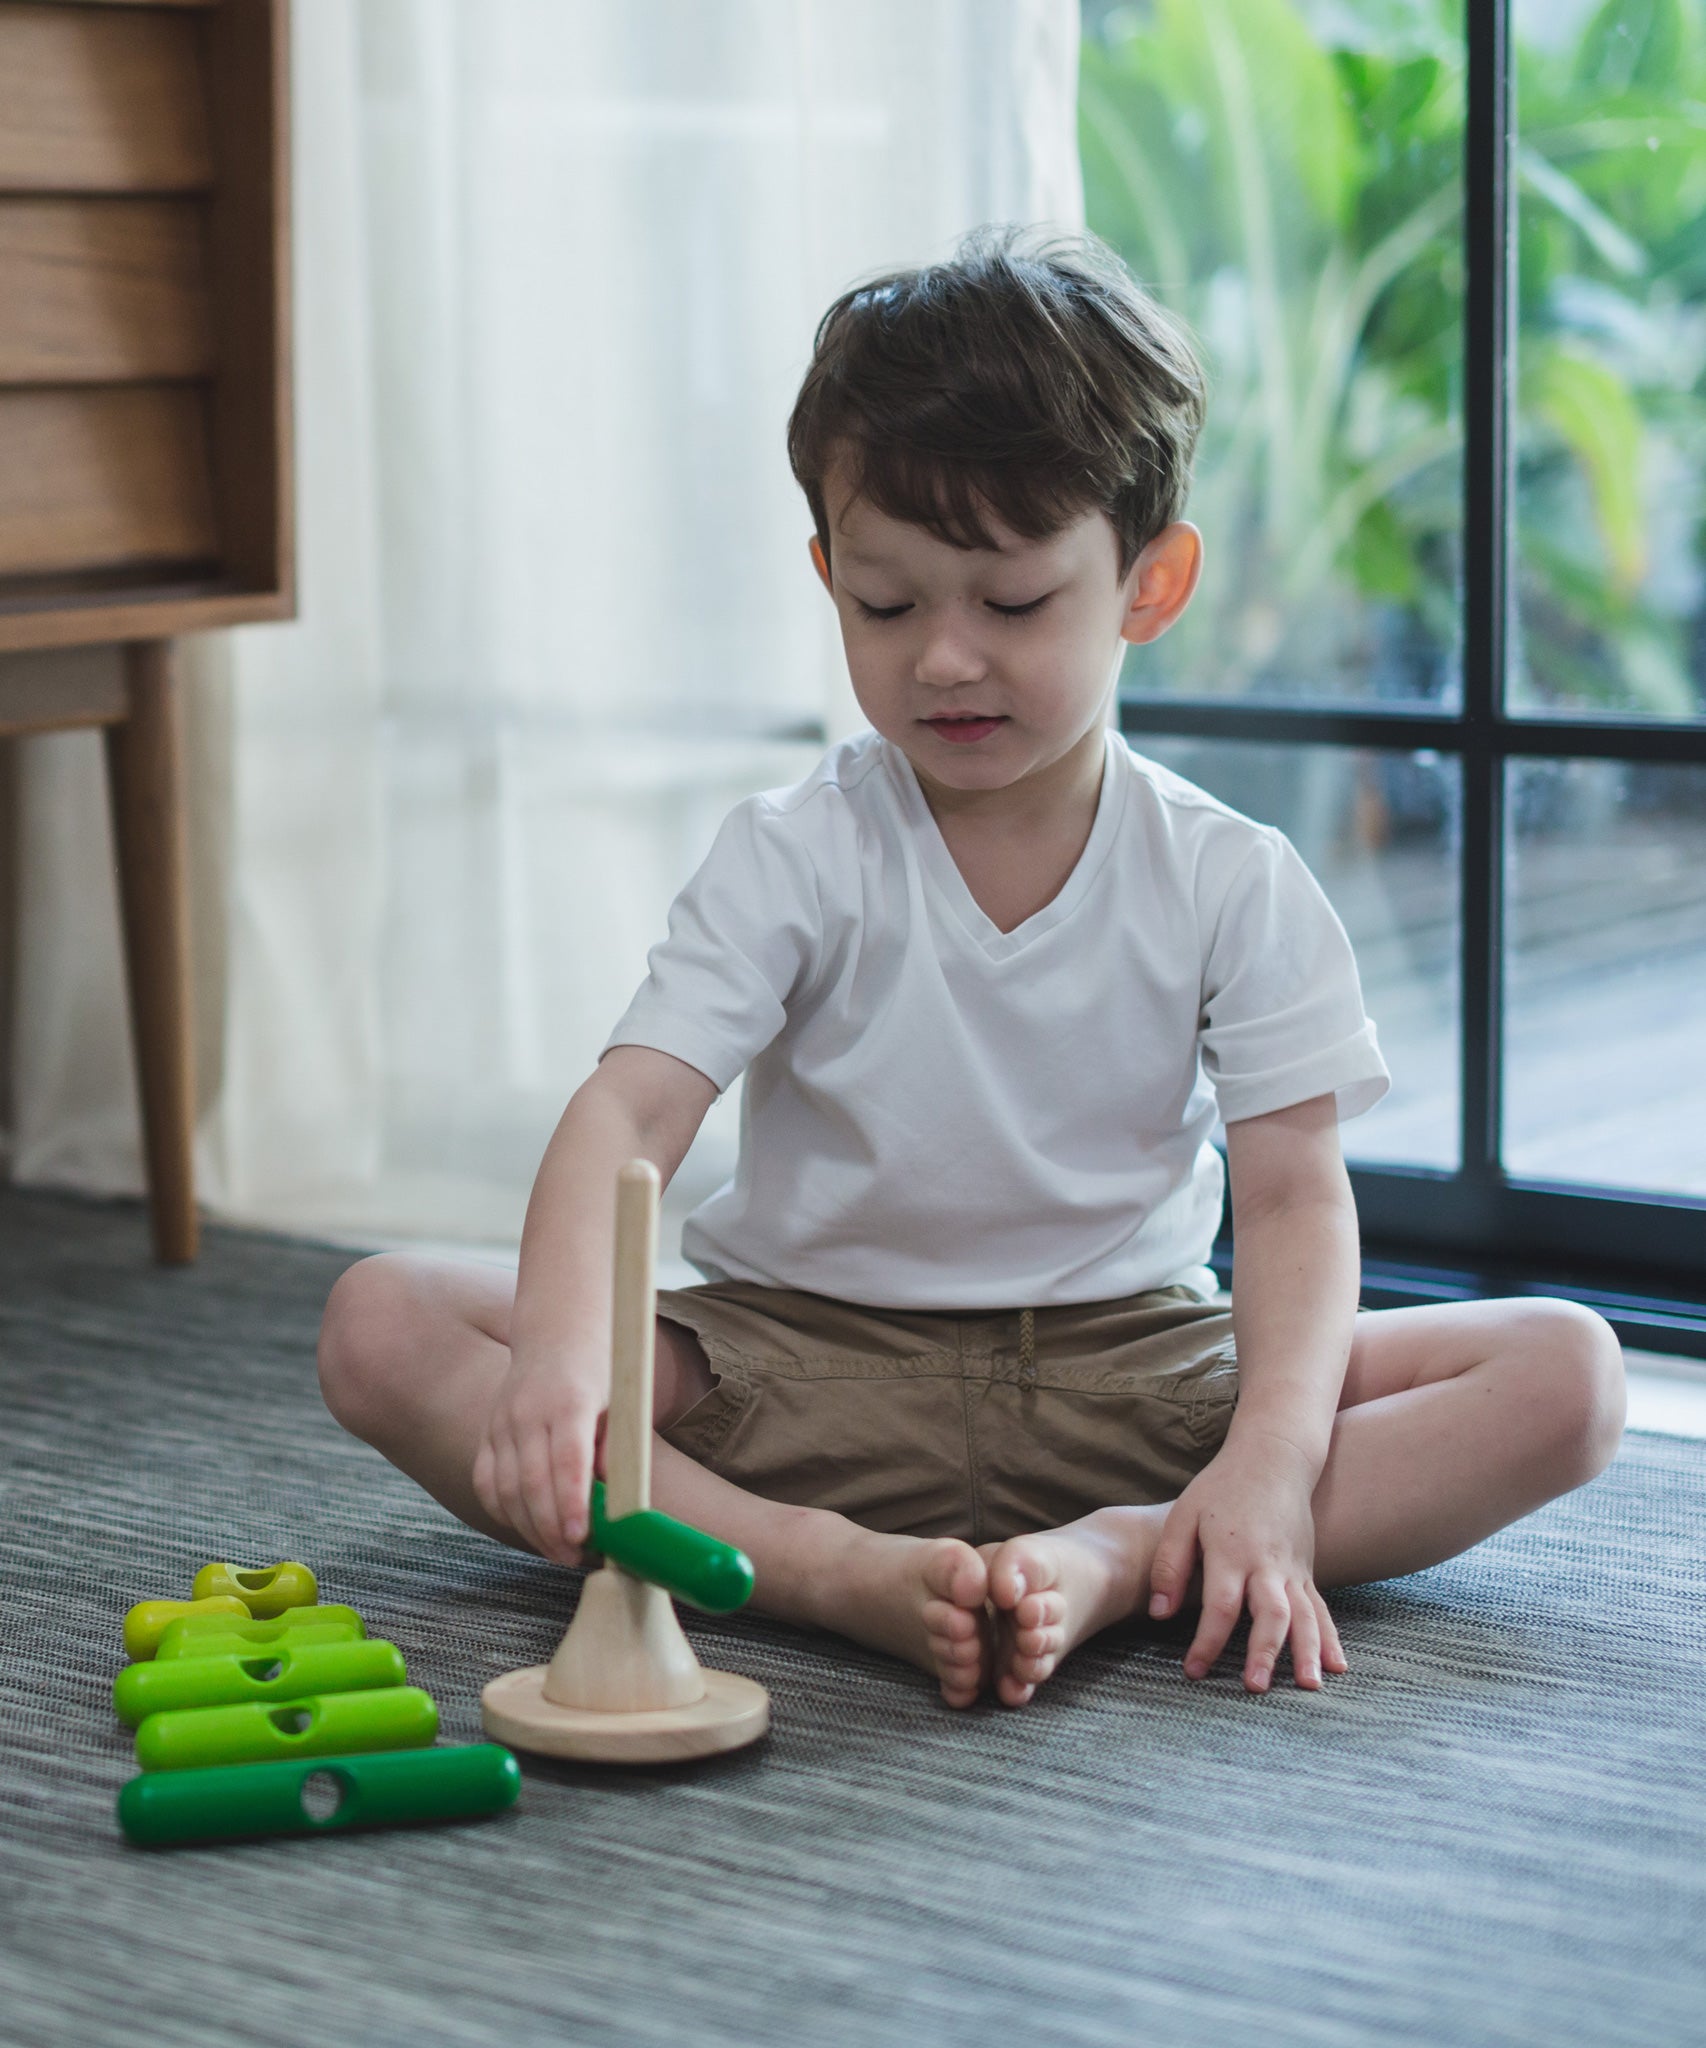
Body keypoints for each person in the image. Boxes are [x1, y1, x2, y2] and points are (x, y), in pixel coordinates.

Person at [317, 227, 1625, 1709]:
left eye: (1009, 606)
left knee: (1568, 1375)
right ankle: (815, 1570)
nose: (943, 660)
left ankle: (1133, 1556)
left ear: (1149, 581)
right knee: (383, 1321)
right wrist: (563, 1361)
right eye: (886, 607)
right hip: (794, 1368)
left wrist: (1264, 1462)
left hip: (1137, 1376)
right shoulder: (798, 849)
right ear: (826, 574)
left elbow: (1285, 1197)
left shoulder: (1228, 876)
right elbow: (627, 1117)